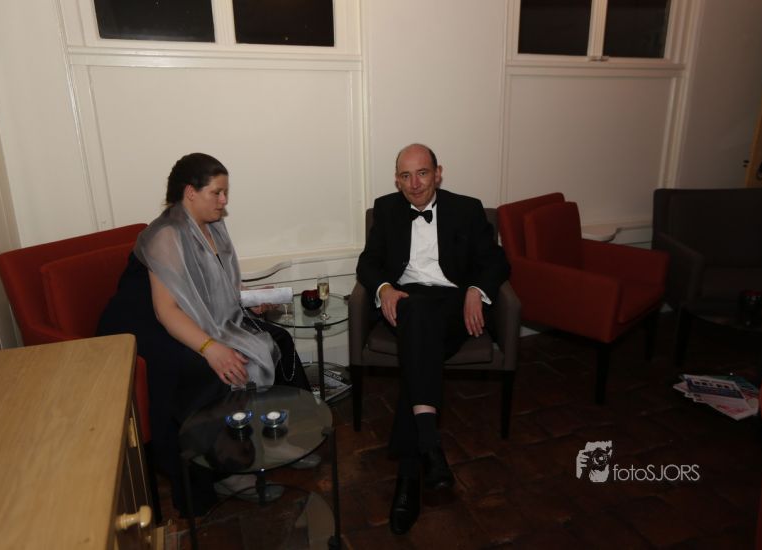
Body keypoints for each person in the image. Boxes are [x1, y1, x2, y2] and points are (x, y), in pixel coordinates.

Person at [97, 152, 312, 515]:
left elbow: (216, 289)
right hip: (145, 326)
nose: (224, 201)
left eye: (225, 192)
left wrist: (248, 301)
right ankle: (228, 469)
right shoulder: (165, 235)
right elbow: (167, 310)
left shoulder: (212, 226)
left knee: (279, 340)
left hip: (192, 315)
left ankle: (282, 439)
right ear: (190, 193)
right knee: (211, 368)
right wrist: (211, 347)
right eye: (217, 193)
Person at [355, 143, 510, 535]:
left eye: (422, 173)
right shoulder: (386, 209)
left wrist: (476, 289)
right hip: (406, 303)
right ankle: (427, 448)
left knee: (417, 343)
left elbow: (496, 260)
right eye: (405, 176)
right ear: (397, 180)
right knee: (417, 314)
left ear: (438, 173)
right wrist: (384, 289)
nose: (414, 183)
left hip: (453, 306)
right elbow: (367, 262)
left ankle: (414, 466)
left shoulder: (467, 208)